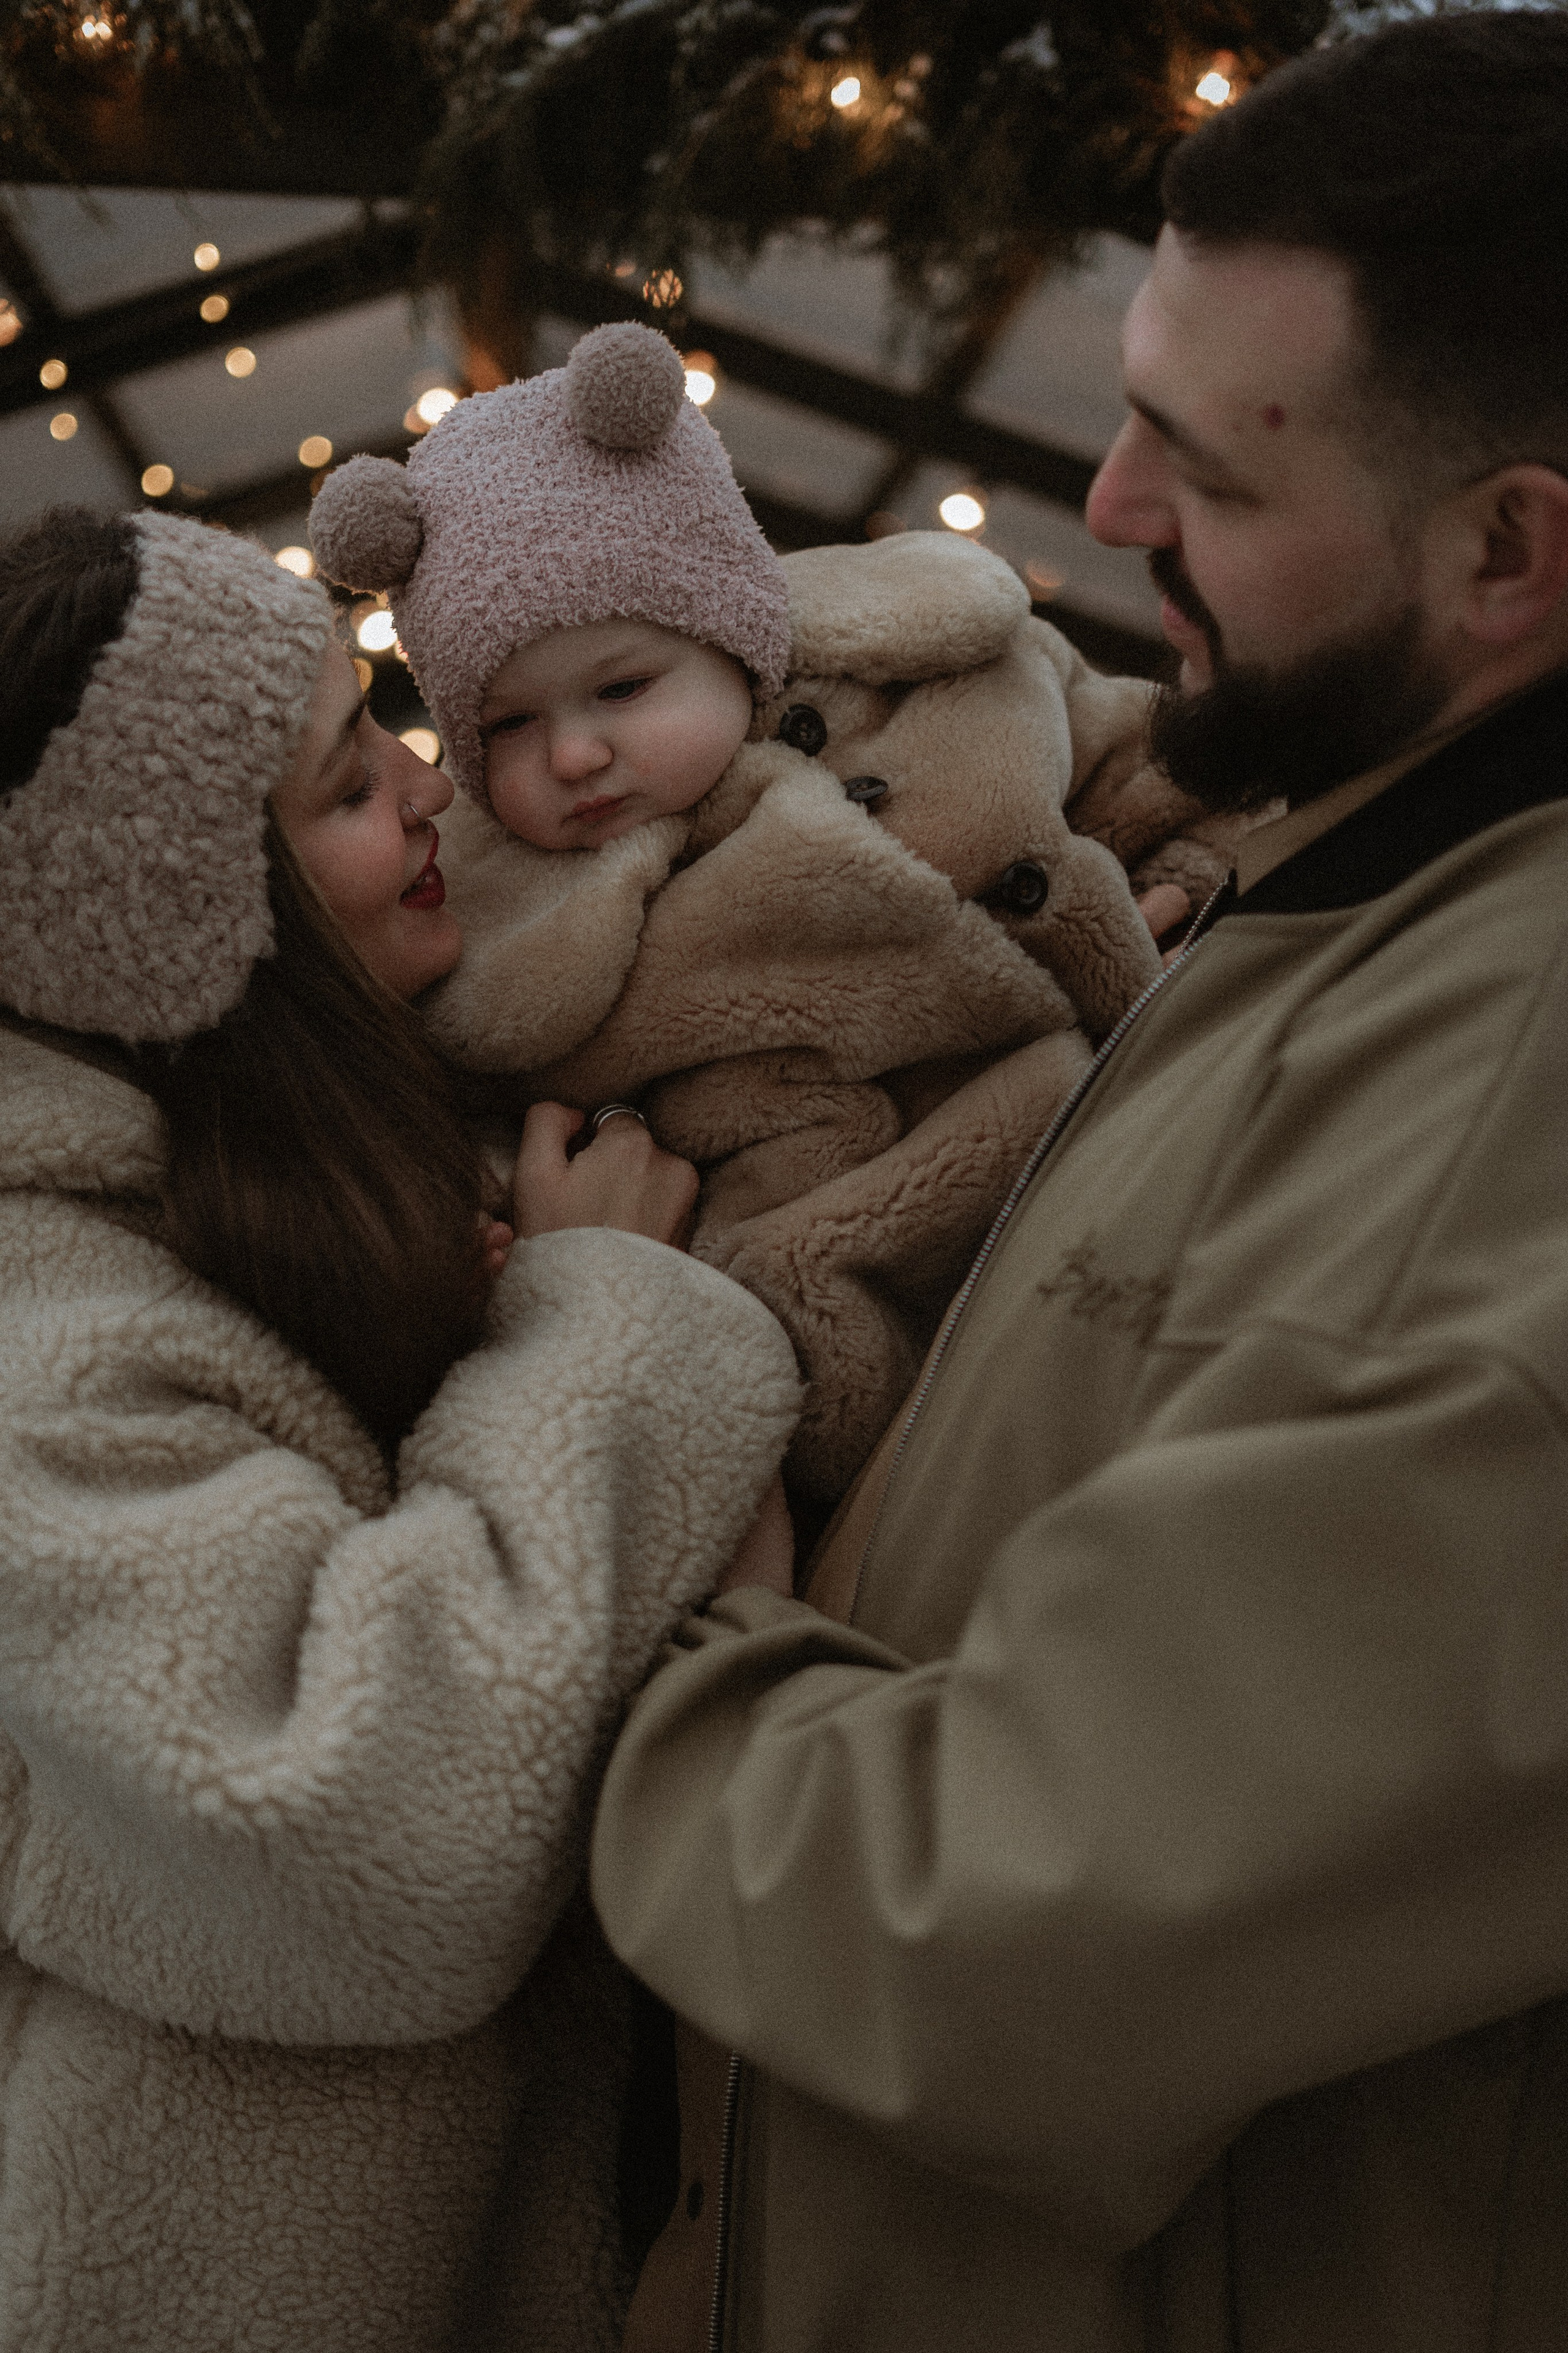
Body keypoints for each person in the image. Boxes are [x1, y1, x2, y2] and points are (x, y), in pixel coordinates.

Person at [587, 13, 1568, 2351]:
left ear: (1513, 547)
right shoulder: (1358, 860)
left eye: (1211, 463)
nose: (1109, 505)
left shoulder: (1516, 1101)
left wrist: (659, 1589)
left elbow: (998, 1928)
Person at [0, 504, 800, 2353]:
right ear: (198, 929)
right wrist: (598, 1326)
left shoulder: (277, 1170)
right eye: (349, 785)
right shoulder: (48, 1345)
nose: (435, 792)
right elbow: (362, 1838)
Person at [307, 323, 1232, 1506]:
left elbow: (1149, 763)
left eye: (624, 688)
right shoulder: (492, 921)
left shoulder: (932, 671)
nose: (577, 752)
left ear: (729, 629)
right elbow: (484, 1129)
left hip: (1122, 1148)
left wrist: (1196, 893)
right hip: (832, 1285)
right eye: (509, 728)